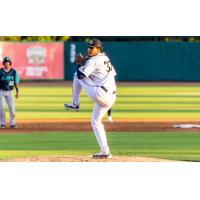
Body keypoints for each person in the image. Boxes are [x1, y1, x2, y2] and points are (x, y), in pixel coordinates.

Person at [64, 38, 117, 158]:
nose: (89, 49)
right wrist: (84, 63)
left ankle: (75, 104)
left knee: (76, 75)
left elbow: (81, 75)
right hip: (111, 97)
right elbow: (105, 74)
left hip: (100, 94)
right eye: (88, 47)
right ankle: (105, 152)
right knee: (95, 121)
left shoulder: (94, 60)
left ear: (98, 49)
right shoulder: (105, 58)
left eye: (92, 48)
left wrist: (79, 64)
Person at [0, 57, 20, 128]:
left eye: (8, 62)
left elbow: (16, 82)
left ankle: (12, 123)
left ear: (10, 63)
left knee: (12, 108)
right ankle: (2, 123)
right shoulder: (0, 71)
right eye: (5, 62)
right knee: (1, 108)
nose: (7, 63)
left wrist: (18, 92)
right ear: (3, 63)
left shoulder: (14, 72)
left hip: (10, 92)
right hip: (1, 91)